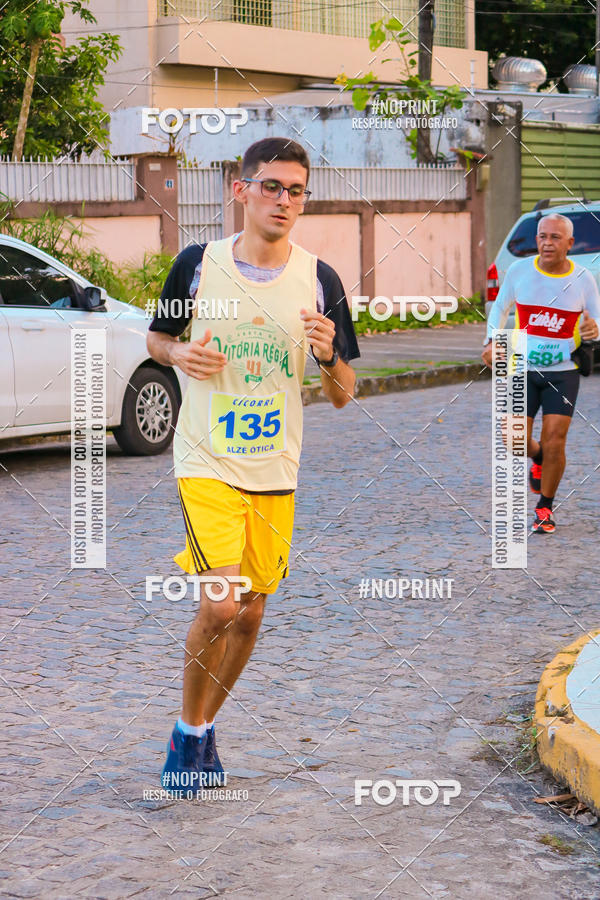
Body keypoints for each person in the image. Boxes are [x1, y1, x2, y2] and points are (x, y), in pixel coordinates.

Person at [147, 137, 359, 790]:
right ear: (240, 191)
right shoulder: (197, 265)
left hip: (275, 468)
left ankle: (206, 730)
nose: (284, 200)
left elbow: (345, 395)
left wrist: (327, 358)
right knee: (221, 603)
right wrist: (178, 356)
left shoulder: (321, 281)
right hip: (205, 460)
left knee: (254, 612)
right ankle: (187, 733)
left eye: (296, 190)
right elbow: (157, 339)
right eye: (271, 186)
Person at [482, 213, 600, 534]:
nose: (547, 243)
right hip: (521, 367)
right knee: (514, 440)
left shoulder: (584, 279)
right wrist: (491, 341)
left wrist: (592, 329)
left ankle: (544, 507)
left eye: (555, 238)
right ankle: (540, 458)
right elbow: (499, 308)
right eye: (542, 236)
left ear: (570, 244)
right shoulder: (520, 271)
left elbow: (596, 324)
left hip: (563, 370)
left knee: (556, 439)